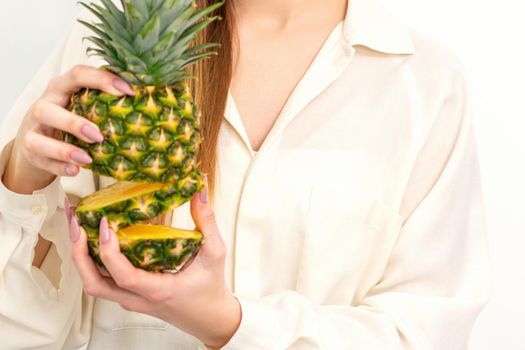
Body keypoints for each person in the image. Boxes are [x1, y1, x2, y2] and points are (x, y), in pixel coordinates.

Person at [0, 0, 490, 349]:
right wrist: (22, 178)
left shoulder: (425, 83)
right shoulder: (113, 49)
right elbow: (19, 334)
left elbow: (425, 333)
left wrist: (229, 324)